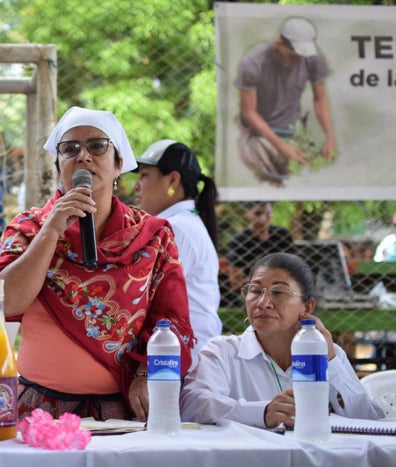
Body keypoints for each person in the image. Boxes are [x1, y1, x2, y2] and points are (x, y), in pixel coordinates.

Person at [0, 106, 194, 422]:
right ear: (59, 166)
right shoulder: (29, 228)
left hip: (121, 411)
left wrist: (147, 373)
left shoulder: (154, 236)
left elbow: (171, 319)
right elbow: (5, 302)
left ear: (119, 164)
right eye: (70, 149)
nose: (83, 156)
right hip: (40, 412)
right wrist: (50, 232)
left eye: (97, 146)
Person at [180, 252, 384, 428]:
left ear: (307, 307)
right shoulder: (223, 351)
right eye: (255, 291)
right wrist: (263, 413)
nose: (263, 302)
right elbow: (192, 404)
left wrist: (331, 363)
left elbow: (368, 419)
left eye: (278, 292)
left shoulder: (329, 354)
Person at [133, 140, 221, 366]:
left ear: (173, 180)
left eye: (144, 175)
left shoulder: (176, 228)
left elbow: (142, 296)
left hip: (184, 363)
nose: (135, 186)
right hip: (183, 356)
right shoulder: (183, 223)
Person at [235, 16, 337, 185]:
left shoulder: (312, 58)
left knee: (309, 174)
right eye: (294, 53)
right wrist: (280, 146)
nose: (299, 58)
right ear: (280, 43)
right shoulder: (252, 63)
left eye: (302, 54)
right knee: (269, 179)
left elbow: (320, 98)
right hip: (257, 133)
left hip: (293, 129)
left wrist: (330, 137)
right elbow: (249, 112)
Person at [224, 201, 293, 297]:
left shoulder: (282, 235)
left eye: (268, 213)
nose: (263, 218)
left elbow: (294, 270)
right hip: (254, 293)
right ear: (247, 213)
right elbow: (236, 284)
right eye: (258, 213)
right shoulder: (239, 241)